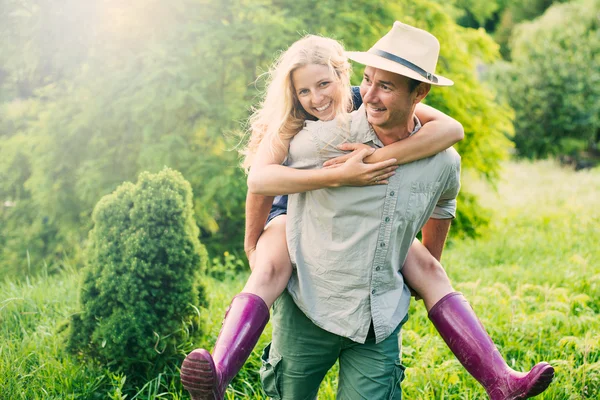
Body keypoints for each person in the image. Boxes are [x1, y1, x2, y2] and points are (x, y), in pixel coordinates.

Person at [186, 23, 554, 399]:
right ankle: (219, 372)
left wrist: (380, 159)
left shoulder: (428, 148)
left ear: (419, 92)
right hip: (295, 219)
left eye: (387, 86)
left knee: (429, 268)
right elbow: (261, 181)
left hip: (379, 301)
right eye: (368, 80)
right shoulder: (311, 134)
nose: (370, 94)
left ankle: (501, 381)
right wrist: (334, 180)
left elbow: (448, 161)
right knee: (268, 267)